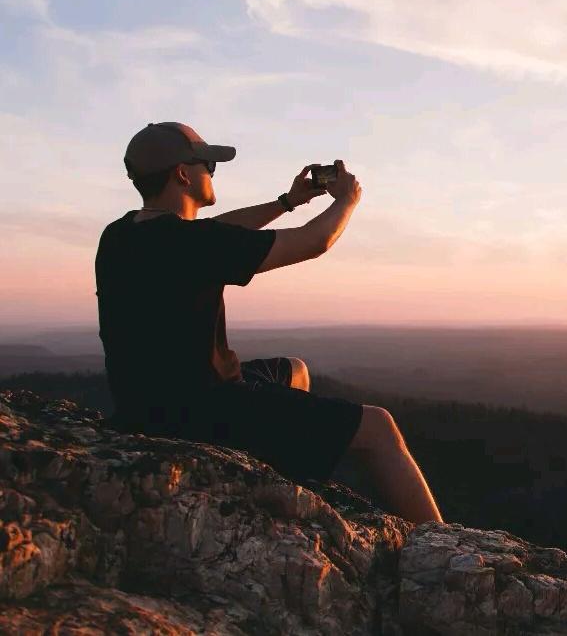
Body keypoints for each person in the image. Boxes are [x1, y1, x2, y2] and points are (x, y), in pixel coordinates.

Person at [95, 121, 443, 525]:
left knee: (294, 371)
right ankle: (445, 549)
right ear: (182, 174)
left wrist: (286, 201)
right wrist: (347, 201)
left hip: (144, 405)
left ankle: (281, 466)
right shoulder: (190, 244)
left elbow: (218, 230)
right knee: (379, 428)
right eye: (208, 163)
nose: (212, 171)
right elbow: (314, 241)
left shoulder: (121, 235)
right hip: (197, 413)